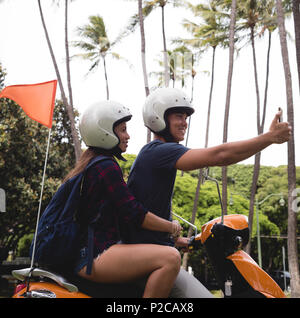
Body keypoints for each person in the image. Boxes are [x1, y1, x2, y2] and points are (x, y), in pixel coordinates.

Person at [125, 87, 292, 298]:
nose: (185, 122)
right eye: (178, 116)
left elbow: (145, 212)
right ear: (158, 117)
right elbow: (221, 155)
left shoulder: (154, 154)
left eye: (186, 117)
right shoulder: (158, 152)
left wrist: (182, 241)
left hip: (152, 254)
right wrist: (269, 138)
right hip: (149, 259)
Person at [65, 100, 182, 298]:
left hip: (92, 251)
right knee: (170, 258)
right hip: (95, 254)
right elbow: (134, 213)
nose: (127, 136)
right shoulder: (106, 167)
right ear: (104, 132)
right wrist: (171, 227)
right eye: (122, 130)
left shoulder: (93, 163)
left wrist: (176, 238)